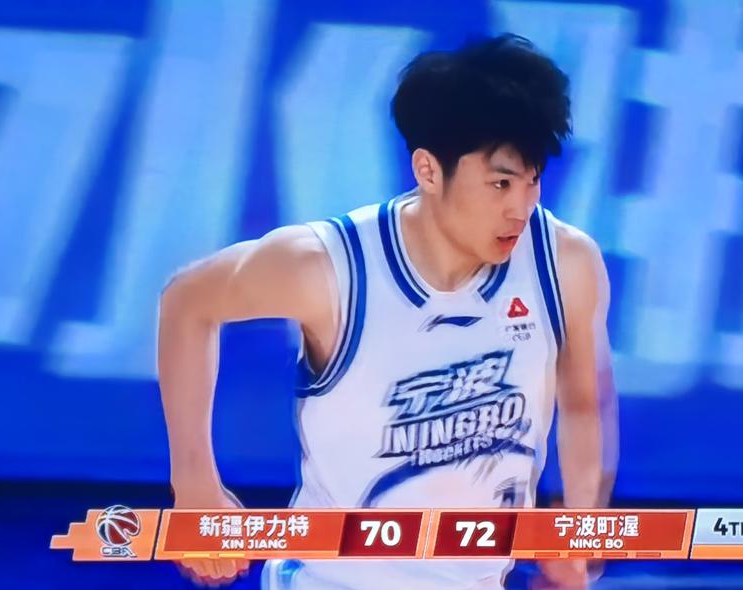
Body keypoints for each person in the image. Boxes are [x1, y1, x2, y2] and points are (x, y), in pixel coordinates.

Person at [157, 34, 617, 590]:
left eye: (532, 180)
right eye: (500, 183)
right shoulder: (329, 267)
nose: (521, 207)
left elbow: (584, 405)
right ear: (428, 170)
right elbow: (187, 300)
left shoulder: (563, 263)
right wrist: (195, 484)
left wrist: (578, 530)